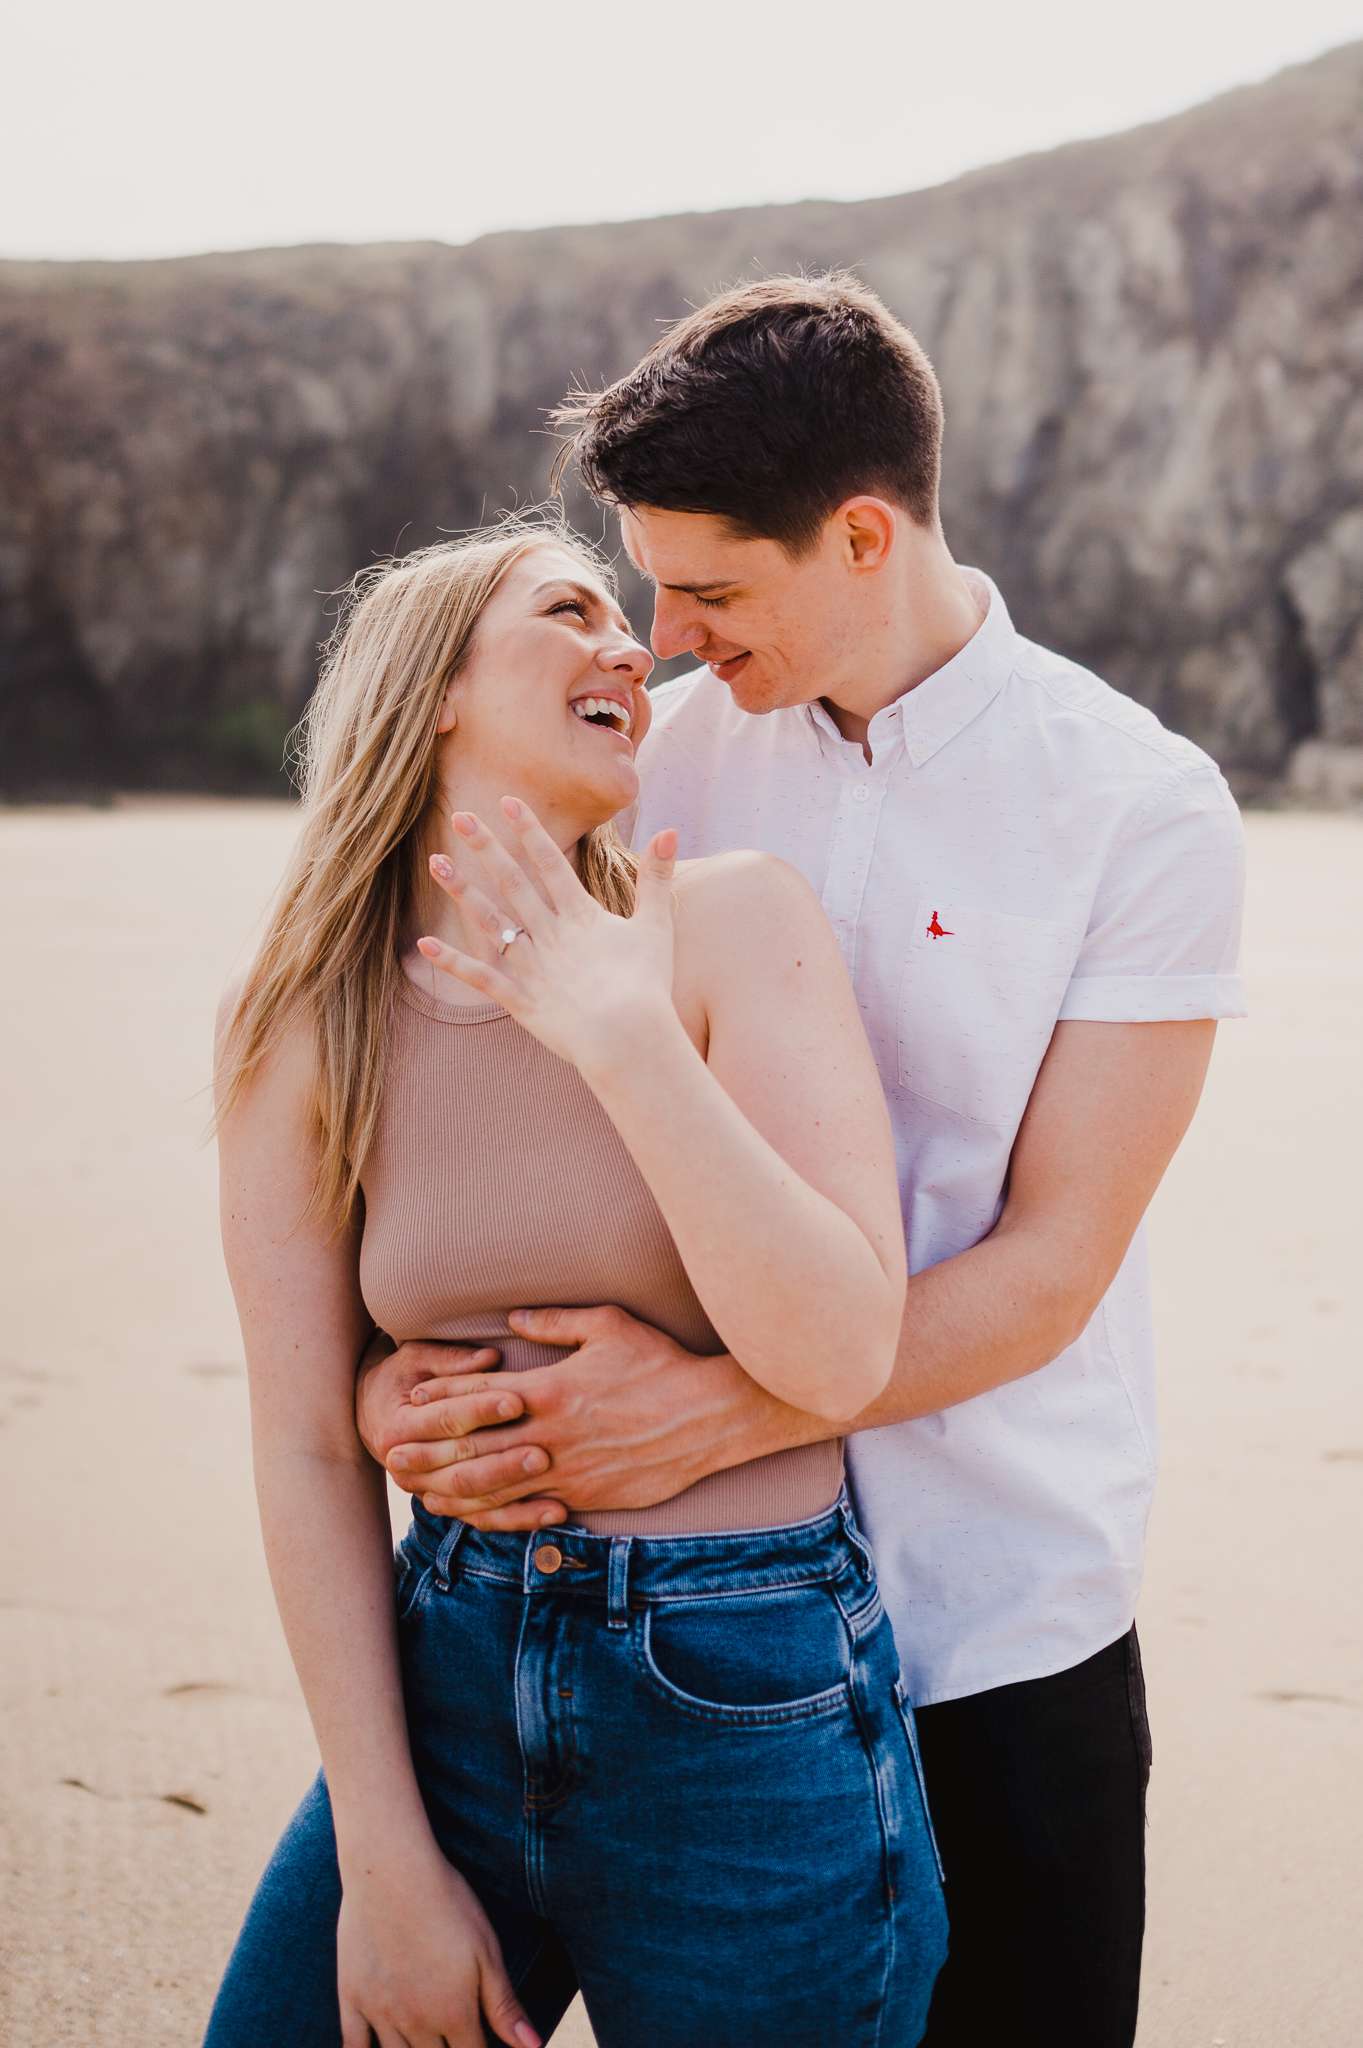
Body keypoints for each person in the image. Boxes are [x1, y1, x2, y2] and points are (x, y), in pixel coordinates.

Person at [358, 272, 1248, 2048]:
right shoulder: (655, 767)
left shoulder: (1139, 808)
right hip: (662, 1630)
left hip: (994, 1625)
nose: (664, 638)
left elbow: (1054, 1262)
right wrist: (403, 1393)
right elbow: (485, 1123)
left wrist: (728, 1408)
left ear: (859, 534)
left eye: (705, 589)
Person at [204, 514, 947, 2048]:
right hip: (447, 1680)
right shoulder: (300, 1013)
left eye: (630, 620)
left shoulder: (732, 926)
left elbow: (841, 1349)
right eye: (568, 610)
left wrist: (622, 1034)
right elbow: (301, 1441)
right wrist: (385, 1859)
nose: (634, 646)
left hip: (750, 1709)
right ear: (439, 694)